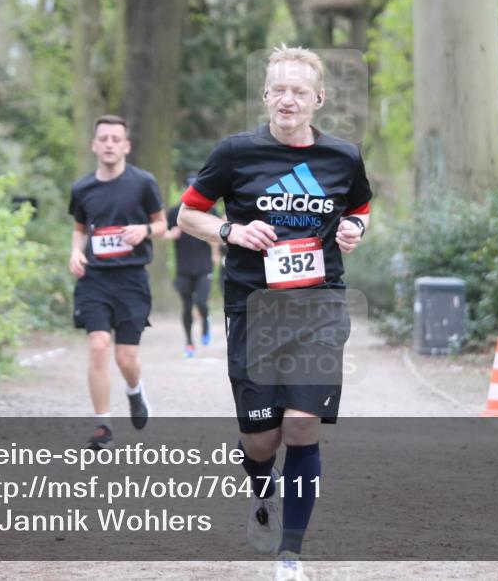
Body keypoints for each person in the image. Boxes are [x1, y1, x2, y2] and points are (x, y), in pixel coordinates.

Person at [178, 45, 371, 581]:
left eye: (299, 91)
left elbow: (359, 206)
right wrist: (232, 231)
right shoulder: (235, 153)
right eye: (279, 90)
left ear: (318, 99)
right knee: (261, 439)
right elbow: (188, 213)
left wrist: (355, 228)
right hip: (254, 308)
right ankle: (263, 489)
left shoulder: (343, 157)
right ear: (265, 96)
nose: (288, 99)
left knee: (303, 423)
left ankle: (291, 555)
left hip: (319, 306)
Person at [68, 114, 165, 449]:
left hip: (132, 280)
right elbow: (80, 229)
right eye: (104, 139)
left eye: (115, 139)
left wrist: (145, 230)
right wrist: (75, 252)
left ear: (126, 146)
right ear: (94, 145)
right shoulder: (82, 188)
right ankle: (103, 425)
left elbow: (162, 225)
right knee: (98, 346)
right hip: (94, 279)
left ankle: (135, 391)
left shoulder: (143, 183)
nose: (109, 144)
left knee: (125, 358)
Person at [164, 176, 221, 357]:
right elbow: (162, 231)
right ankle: (189, 343)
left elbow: (221, 232)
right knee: (187, 306)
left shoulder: (211, 210)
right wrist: (170, 235)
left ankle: (205, 323)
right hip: (184, 267)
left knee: (201, 302)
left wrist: (215, 252)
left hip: (204, 266)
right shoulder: (175, 212)